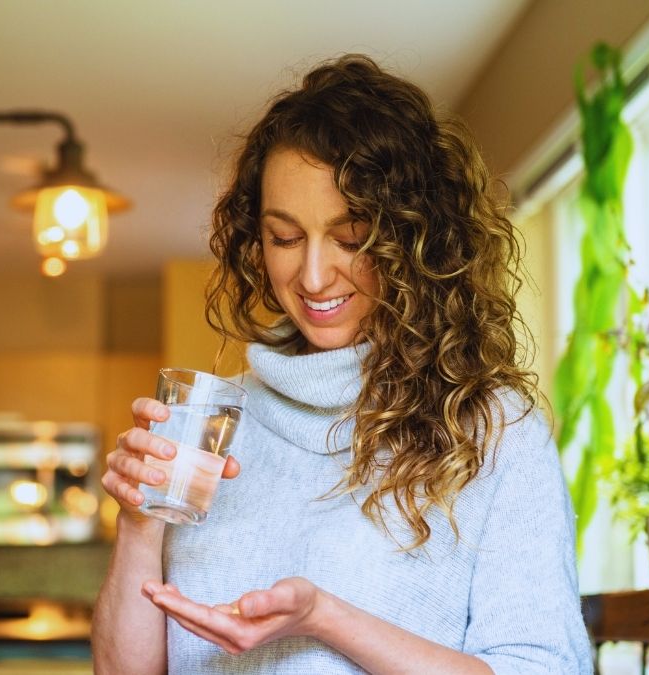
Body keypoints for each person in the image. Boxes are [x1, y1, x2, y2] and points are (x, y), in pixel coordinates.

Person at [92, 54, 593, 674]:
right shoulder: (214, 430)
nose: (312, 275)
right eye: (285, 237)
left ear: (415, 239)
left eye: (351, 238)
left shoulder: (491, 432)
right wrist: (138, 526)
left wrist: (325, 619)